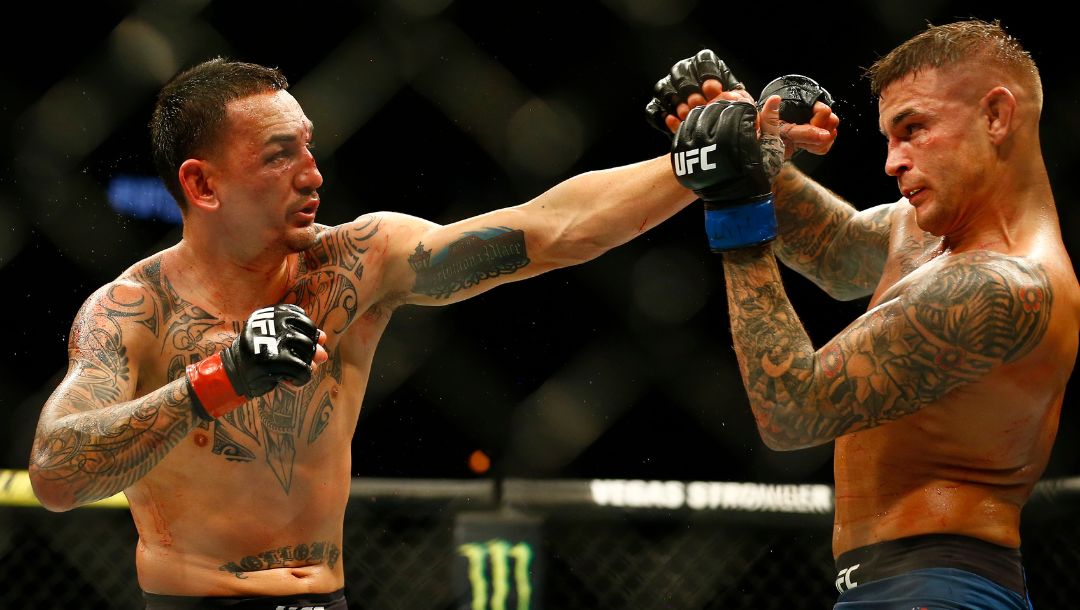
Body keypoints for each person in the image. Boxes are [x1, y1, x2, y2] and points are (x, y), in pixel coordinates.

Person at [23, 56, 770, 609]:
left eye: (308, 146)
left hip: (328, 598)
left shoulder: (356, 263)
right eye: (279, 155)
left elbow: (546, 231)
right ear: (202, 184)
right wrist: (220, 380)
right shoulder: (132, 310)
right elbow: (57, 471)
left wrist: (695, 163)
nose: (312, 173)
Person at [649, 19, 1079, 610]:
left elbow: (791, 410)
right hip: (893, 586)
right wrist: (747, 138)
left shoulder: (1006, 284)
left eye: (913, 130)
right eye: (887, 138)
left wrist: (736, 209)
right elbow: (833, 250)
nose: (891, 162)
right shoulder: (930, 233)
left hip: (940, 587)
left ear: (996, 116)